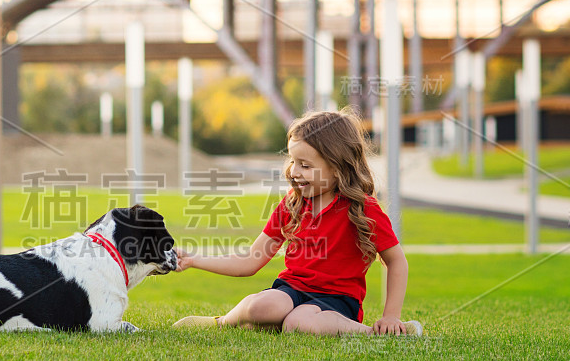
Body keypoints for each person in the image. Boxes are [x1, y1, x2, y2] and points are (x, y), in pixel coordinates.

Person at [173, 109, 422, 336]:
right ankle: (223, 322)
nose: (294, 171)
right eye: (293, 161)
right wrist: (194, 259)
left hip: (336, 300)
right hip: (291, 289)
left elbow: (396, 261)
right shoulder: (291, 205)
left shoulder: (363, 208)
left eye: (305, 165)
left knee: (298, 323)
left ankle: (376, 333)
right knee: (262, 306)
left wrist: (391, 316)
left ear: (337, 168)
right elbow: (249, 260)